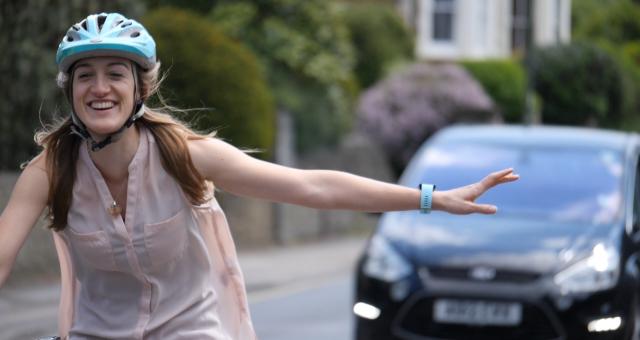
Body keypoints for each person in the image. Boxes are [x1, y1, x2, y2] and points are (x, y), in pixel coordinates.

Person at [0, 12, 519, 340]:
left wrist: (431, 198)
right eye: (85, 75)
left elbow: (310, 186)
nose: (100, 88)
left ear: (141, 89)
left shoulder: (186, 154)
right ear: (69, 90)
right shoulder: (51, 170)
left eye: (115, 73)